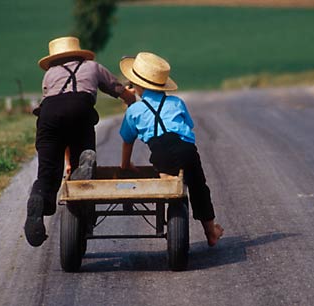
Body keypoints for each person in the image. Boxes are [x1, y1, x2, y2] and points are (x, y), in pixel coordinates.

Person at [24, 36, 135, 247]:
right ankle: (83, 168)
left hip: (48, 117)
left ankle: (40, 199)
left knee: (47, 174)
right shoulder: (93, 67)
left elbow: (53, 104)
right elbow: (117, 89)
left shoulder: (49, 74)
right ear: (79, 52)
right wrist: (131, 100)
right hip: (81, 112)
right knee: (82, 166)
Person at [118, 52, 223, 246]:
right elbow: (189, 125)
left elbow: (127, 140)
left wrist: (125, 165)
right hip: (186, 149)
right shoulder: (177, 103)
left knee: (168, 185)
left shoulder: (134, 110)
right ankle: (211, 231)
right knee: (199, 187)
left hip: (161, 154)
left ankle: (170, 204)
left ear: (137, 86)